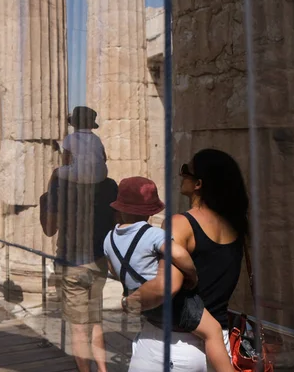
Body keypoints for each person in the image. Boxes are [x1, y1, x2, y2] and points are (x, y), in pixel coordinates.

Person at [124, 149, 248, 371]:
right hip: (219, 343)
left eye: (185, 170)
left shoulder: (180, 223)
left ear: (198, 183)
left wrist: (131, 302)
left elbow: (166, 286)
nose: (181, 175)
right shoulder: (236, 226)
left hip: (172, 345)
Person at [103, 176, 234, 372]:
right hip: (171, 305)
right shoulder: (153, 234)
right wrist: (192, 275)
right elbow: (179, 254)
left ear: (120, 209)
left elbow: (113, 269)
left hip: (145, 306)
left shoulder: (109, 239)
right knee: (213, 331)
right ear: (150, 212)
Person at [40, 164, 118, 372]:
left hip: (72, 263)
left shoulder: (63, 187)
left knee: (78, 328)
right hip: (98, 261)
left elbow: (49, 229)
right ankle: (103, 369)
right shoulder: (109, 186)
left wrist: (52, 183)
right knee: (95, 321)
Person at [62, 106, 108, 184]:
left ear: (74, 124)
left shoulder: (69, 138)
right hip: (101, 175)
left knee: (56, 173)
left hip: (80, 175)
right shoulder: (96, 139)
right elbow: (104, 158)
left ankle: (50, 195)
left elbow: (65, 160)